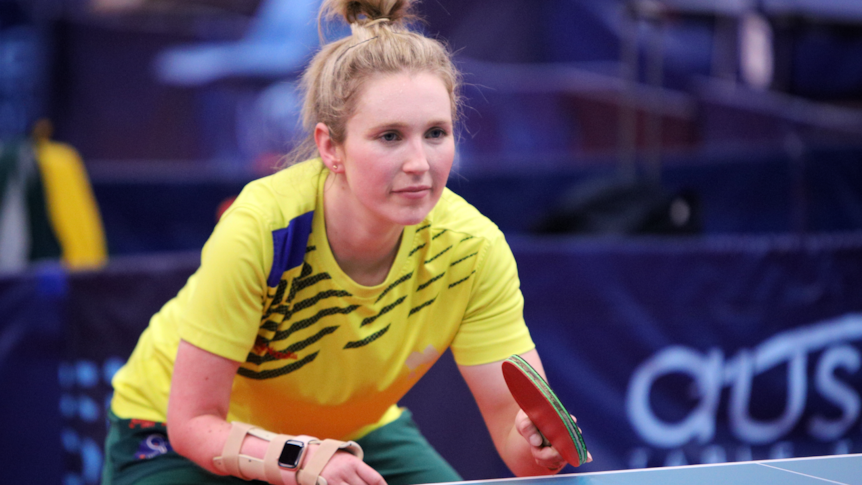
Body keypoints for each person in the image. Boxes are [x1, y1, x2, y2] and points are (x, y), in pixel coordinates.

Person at [102, 1, 590, 484]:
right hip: (172, 436)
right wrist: (299, 459)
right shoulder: (263, 229)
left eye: (436, 133)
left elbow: (517, 442)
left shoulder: (473, 250)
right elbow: (193, 425)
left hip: (349, 432)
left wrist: (536, 441)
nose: (420, 162)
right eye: (390, 137)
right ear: (330, 147)